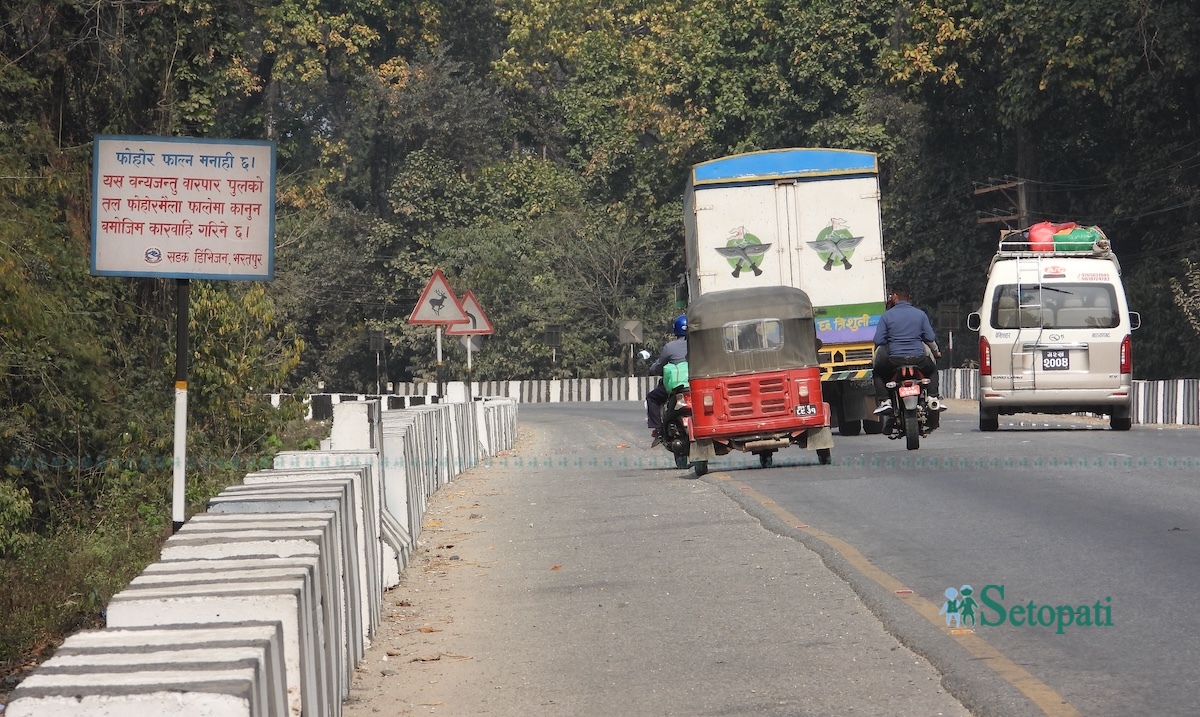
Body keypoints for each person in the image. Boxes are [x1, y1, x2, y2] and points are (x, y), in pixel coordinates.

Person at [872, 284, 945, 416]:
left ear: (894, 296)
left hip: (894, 360)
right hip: (919, 358)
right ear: (909, 297)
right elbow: (929, 337)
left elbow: (878, 340)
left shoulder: (886, 316)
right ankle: (933, 397)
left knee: (877, 372)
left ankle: (885, 401)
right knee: (933, 370)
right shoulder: (920, 315)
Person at [645, 314, 688, 447]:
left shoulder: (670, 347)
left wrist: (652, 370)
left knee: (652, 397)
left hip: (677, 387)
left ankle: (658, 429)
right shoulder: (699, 344)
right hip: (698, 385)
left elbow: (658, 366)